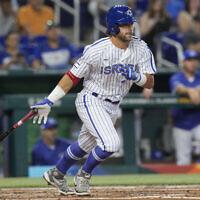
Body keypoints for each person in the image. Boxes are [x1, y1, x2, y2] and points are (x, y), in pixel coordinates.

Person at [31, 5, 156, 196]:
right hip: (91, 99)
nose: (130, 28)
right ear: (113, 27)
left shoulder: (140, 48)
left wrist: (137, 76)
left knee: (83, 146)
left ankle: (57, 173)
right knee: (111, 144)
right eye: (124, 25)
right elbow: (72, 77)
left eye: (131, 24)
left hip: (113, 105)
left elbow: (149, 82)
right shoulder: (97, 50)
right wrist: (49, 101)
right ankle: (84, 174)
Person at [169, 49, 200, 165]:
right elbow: (178, 88)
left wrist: (196, 90)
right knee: (183, 160)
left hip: (198, 122)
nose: (192, 63)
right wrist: (190, 91)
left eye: (194, 60)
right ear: (183, 62)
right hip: (181, 123)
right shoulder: (177, 77)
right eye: (189, 60)